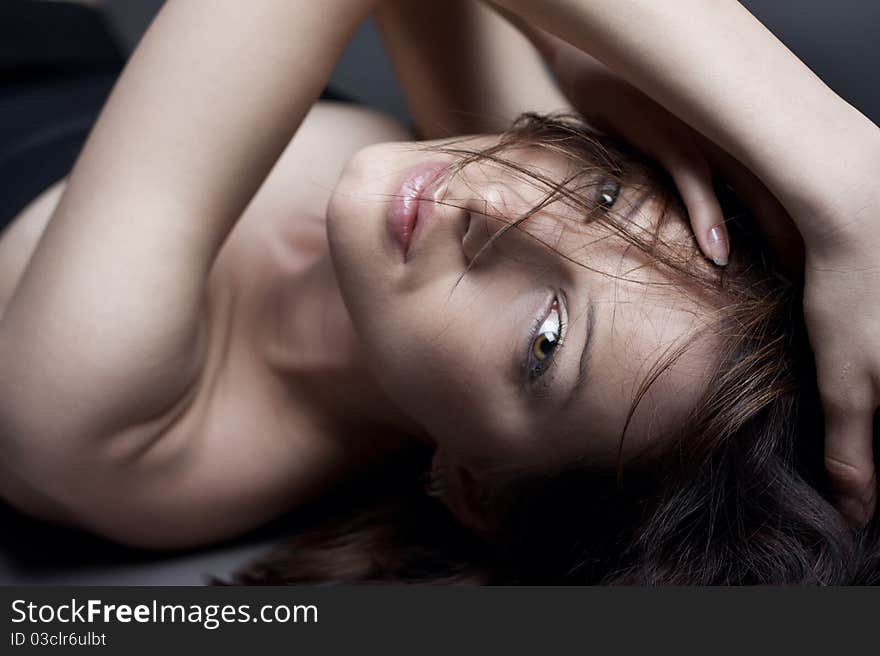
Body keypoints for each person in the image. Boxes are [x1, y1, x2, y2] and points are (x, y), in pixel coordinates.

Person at [0, 0, 878, 584]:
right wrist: (573, 58)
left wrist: (842, 171)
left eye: (545, 340)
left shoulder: (102, 412)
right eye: (608, 197)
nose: (500, 207)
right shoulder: (491, 191)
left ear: (479, 491)